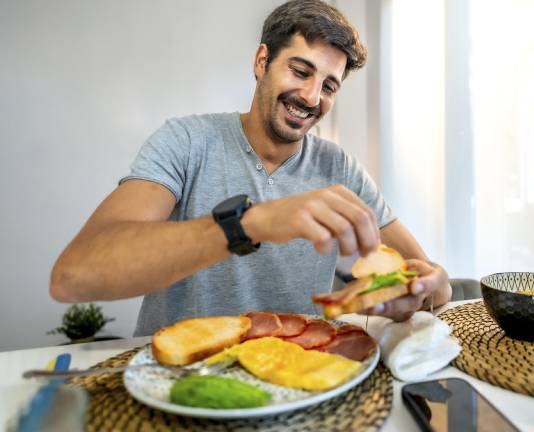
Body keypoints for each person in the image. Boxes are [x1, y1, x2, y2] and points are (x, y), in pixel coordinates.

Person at [49, 0, 451, 336]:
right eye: (300, 70)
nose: (311, 96)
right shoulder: (186, 141)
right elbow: (74, 274)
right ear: (262, 61)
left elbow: (438, 285)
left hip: (292, 379)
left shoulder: (340, 167)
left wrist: (422, 288)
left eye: (329, 86)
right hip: (175, 380)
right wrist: (251, 222)